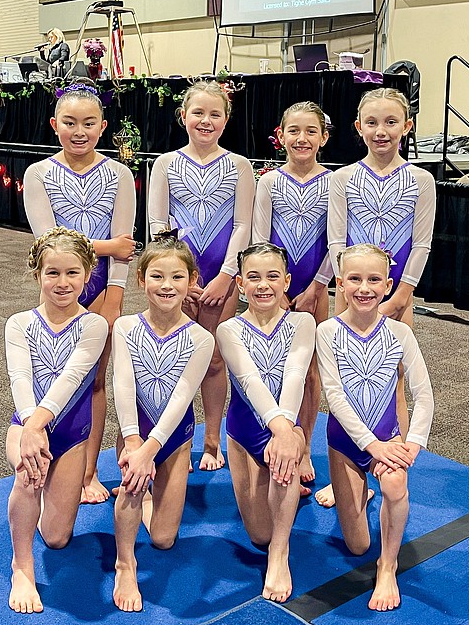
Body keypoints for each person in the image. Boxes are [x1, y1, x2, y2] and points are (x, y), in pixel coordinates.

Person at [317, 87, 436, 509]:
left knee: (394, 381)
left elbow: (420, 244)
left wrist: (400, 295)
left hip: (397, 293)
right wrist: (349, 294)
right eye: (372, 122)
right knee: (344, 381)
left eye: (390, 122)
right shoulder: (342, 179)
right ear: (358, 128)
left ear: (407, 127)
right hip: (349, 293)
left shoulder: (421, 180)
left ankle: (395, 456)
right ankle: (346, 469)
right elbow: (335, 241)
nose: (381, 131)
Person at [23, 83, 137, 504]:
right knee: (51, 378)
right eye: (69, 123)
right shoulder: (38, 174)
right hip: (58, 290)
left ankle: (87, 471)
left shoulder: (119, 174)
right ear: (55, 125)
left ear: (103, 127)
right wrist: (108, 246)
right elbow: (49, 242)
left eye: (89, 123)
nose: (79, 131)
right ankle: (48, 461)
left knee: (93, 383)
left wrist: (115, 296)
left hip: (103, 291)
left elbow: (126, 241)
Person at [317, 243, 434, 611]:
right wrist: (373, 447)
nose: (364, 288)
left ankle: (388, 565)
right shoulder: (328, 332)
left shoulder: (399, 334)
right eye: (355, 279)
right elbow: (334, 397)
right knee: (356, 546)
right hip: (346, 443)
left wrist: (412, 444)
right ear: (340, 282)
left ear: (387, 285)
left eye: (373, 279)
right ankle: (358, 491)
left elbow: (423, 394)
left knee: (396, 484)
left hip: (387, 438)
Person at [148, 80, 255, 472]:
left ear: (226, 120)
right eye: (198, 113)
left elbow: (242, 225)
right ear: (183, 117)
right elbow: (158, 221)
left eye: (215, 114)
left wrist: (227, 276)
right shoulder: (166, 164)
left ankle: (212, 440)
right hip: (176, 280)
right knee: (172, 361)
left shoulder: (239, 166)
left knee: (212, 361)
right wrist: (182, 278)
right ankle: (176, 441)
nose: (205, 121)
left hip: (221, 278)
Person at [4, 228, 109, 614]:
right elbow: (21, 378)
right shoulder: (18, 324)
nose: (62, 282)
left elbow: (71, 379)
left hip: (70, 434)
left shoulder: (94, 326)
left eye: (72, 273)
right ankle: (22, 566)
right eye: (52, 272)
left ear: (87, 275)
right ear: (37, 275)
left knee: (57, 538)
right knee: (28, 472)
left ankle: (38, 504)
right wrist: (31, 430)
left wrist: (40, 429)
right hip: (26, 424)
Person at [111, 234, 214, 612]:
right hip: (133, 433)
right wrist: (134, 443)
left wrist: (151, 449)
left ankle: (151, 489)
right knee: (133, 484)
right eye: (157, 276)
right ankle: (125, 563)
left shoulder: (201, 338)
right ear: (141, 280)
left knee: (163, 539)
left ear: (191, 281)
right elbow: (122, 384)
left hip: (174, 438)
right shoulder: (124, 327)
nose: (166, 286)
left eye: (176, 277)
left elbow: (181, 398)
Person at [218, 242, 314, 602]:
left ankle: (280, 554)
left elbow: (294, 376)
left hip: (287, 430)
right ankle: (282, 502)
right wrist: (282, 430)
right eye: (253, 277)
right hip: (245, 432)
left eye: (272, 276)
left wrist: (287, 433)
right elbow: (250, 382)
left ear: (286, 281)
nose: (263, 285)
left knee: (284, 463)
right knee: (259, 534)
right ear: (240, 283)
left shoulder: (302, 322)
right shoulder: (229, 330)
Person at [252, 101, 332, 495]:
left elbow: (337, 241)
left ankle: (301, 447)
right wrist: (276, 290)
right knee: (270, 368)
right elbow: (261, 239)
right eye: (293, 131)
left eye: (310, 131)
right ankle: (271, 438)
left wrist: (317, 287)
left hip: (316, 287)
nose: (302, 139)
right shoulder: (269, 182)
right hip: (272, 290)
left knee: (311, 371)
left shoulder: (334, 183)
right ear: (280, 136)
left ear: (324, 137)